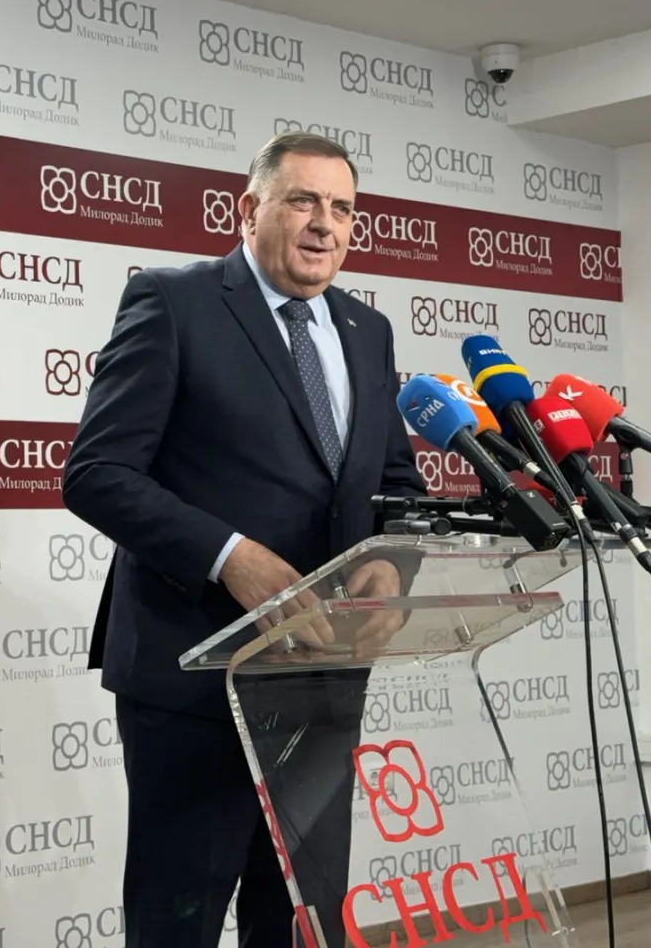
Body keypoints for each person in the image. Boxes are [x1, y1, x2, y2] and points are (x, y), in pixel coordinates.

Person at [62, 131, 427, 948]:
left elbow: (395, 485)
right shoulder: (174, 302)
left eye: (343, 209)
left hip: (321, 677)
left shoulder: (366, 331)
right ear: (249, 209)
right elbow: (96, 473)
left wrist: (388, 564)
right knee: (179, 922)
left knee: (301, 919)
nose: (325, 224)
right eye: (304, 201)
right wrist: (231, 558)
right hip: (196, 677)